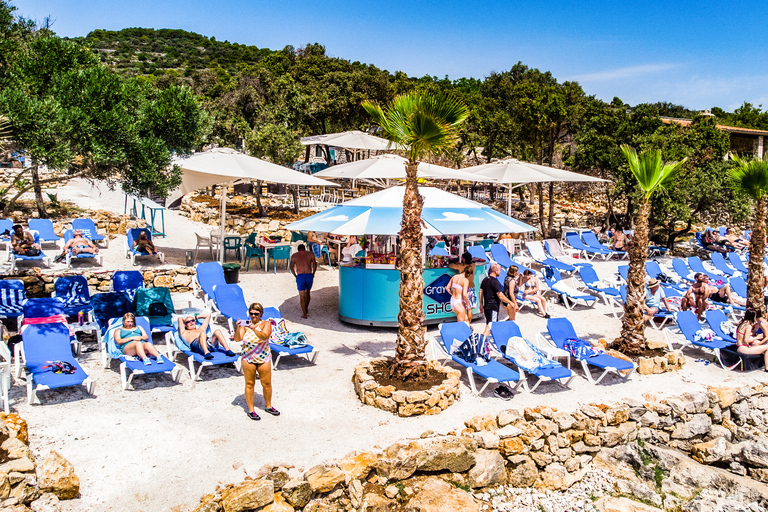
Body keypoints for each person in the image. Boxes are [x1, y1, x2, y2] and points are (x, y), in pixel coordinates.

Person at [235, 303, 279, 420]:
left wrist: (254, 329)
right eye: (251, 313)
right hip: (248, 357)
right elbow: (237, 339)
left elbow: (264, 336)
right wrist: (238, 327)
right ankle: (251, 410)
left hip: (263, 357)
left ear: (261, 314)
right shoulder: (245, 325)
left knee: (267, 383)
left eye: (256, 314)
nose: (253, 316)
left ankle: (268, 406)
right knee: (249, 383)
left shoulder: (266, 324)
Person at [479, 264, 517, 335]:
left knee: (489, 325)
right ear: (495, 271)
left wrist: (481, 304)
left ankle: (485, 341)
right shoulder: (495, 282)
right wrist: (511, 302)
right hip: (492, 307)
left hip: (487, 306)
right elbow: (500, 296)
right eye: (499, 270)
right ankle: (481, 342)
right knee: (490, 328)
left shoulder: (485, 279)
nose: (500, 272)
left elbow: (480, 291)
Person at [290, 244, 317, 319]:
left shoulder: (294, 255)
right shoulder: (310, 254)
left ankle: (304, 313)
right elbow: (315, 264)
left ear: (298, 249)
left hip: (300, 276)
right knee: (308, 293)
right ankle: (306, 308)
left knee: (302, 295)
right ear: (304, 249)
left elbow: (291, 267)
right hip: (309, 275)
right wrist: (313, 273)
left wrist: (295, 275)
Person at [447, 260, 473, 324]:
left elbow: (447, 288)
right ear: (469, 274)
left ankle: (469, 329)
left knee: (466, 320)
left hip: (453, 301)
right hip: (459, 302)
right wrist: (468, 305)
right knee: (461, 325)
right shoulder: (465, 280)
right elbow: (464, 294)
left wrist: (452, 294)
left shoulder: (454, 277)